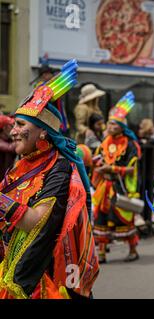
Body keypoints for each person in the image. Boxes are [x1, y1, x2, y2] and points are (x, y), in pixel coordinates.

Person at [0, 60, 99, 299]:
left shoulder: (59, 168)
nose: (13, 132)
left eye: (21, 125)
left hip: (42, 279)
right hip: (13, 268)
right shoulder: (24, 163)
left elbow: (35, 221)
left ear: (43, 132)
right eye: (13, 125)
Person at [92, 91, 141, 264]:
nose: (110, 127)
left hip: (120, 188)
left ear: (121, 126)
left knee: (123, 219)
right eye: (109, 123)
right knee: (101, 219)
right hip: (103, 188)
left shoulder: (130, 145)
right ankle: (102, 253)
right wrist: (97, 165)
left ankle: (133, 250)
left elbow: (131, 169)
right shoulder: (104, 143)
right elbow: (96, 160)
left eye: (113, 124)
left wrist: (112, 168)